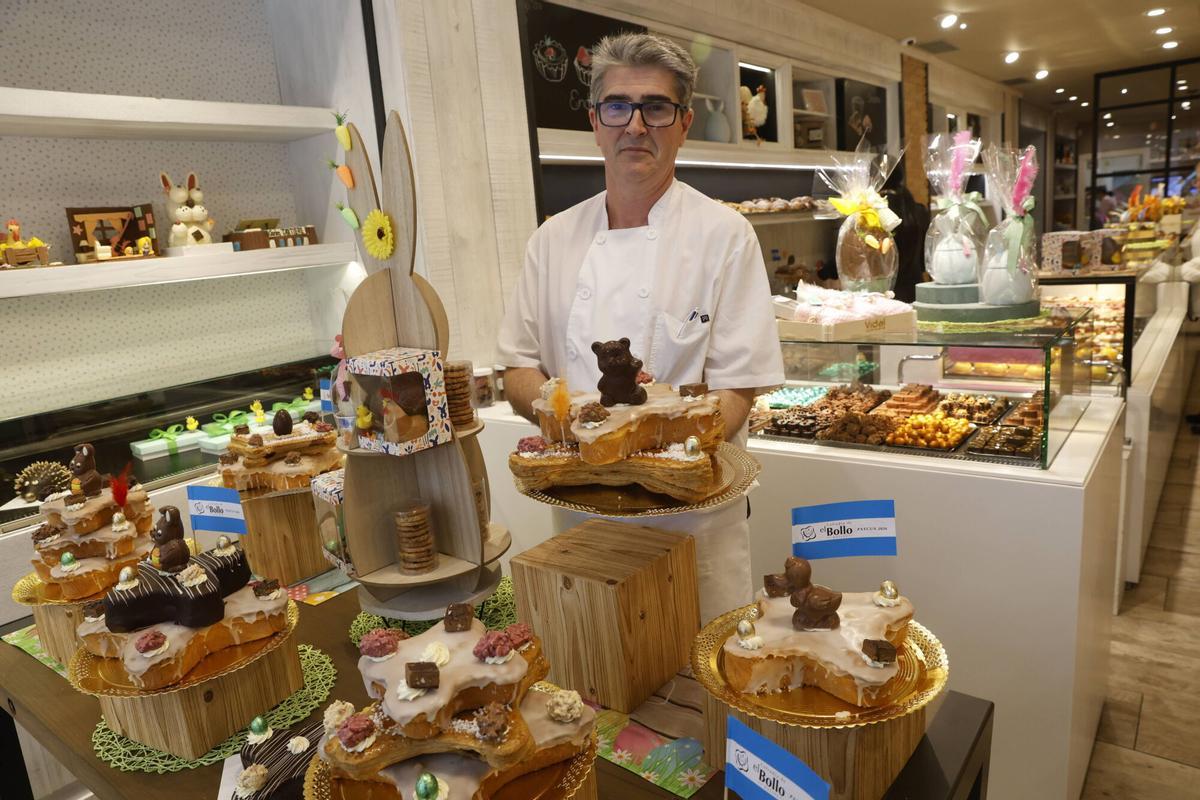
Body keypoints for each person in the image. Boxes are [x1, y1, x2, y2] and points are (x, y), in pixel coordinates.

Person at [496, 32, 785, 623]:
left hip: (694, 521)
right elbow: (517, 369)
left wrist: (660, 448)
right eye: (617, 107)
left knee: (697, 688)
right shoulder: (551, 241)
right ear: (595, 122)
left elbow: (740, 387)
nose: (635, 125)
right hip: (580, 516)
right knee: (594, 688)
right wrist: (575, 417)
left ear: (683, 123)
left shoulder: (724, 236)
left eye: (655, 107)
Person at [882, 163, 930, 303]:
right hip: (916, 289)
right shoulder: (918, 209)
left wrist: (824, 272)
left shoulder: (877, 212)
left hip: (887, 294)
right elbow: (924, 257)